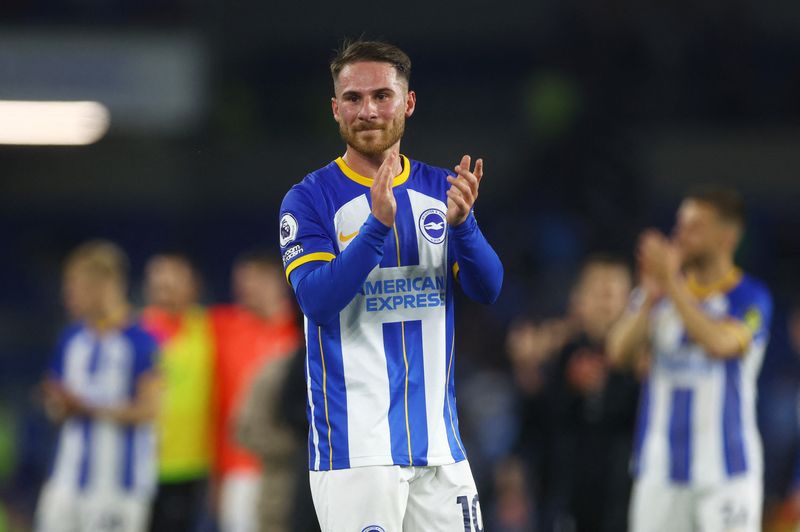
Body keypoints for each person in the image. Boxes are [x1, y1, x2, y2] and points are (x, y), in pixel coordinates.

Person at [278, 39, 503, 531]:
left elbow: (487, 290)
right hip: (356, 452)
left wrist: (465, 227)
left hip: (440, 448)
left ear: (409, 102)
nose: (368, 110)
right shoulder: (308, 199)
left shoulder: (442, 190)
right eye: (353, 99)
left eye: (382, 95)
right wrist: (376, 229)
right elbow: (317, 301)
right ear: (336, 109)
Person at [607, 187, 773, 532]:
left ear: (727, 237)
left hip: (728, 474)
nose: (680, 234)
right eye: (680, 224)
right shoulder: (660, 293)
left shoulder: (751, 298)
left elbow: (719, 343)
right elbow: (618, 352)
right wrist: (652, 296)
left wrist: (672, 284)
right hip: (659, 472)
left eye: (695, 226)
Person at [35, 240, 161, 532]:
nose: (68, 296)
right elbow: (56, 406)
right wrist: (57, 404)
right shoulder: (70, 339)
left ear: (104, 285)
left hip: (119, 487)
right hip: (66, 481)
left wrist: (87, 408)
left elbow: (149, 410)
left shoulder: (140, 340)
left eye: (75, 286)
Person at [545, 255, 639, 532]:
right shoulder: (564, 355)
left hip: (627, 497)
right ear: (578, 300)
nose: (606, 302)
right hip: (571, 499)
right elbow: (546, 424)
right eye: (598, 291)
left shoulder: (643, 360)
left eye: (614, 293)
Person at [210, 250, 301, 532]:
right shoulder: (220, 327)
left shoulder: (301, 331)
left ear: (278, 282)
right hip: (236, 467)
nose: (247, 288)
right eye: (242, 281)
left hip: (288, 469)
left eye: (257, 280)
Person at [140, 253, 214, 532]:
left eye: (172, 287)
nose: (165, 295)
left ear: (192, 287)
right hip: (144, 462)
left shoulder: (208, 328)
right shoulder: (137, 333)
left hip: (193, 463)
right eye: (159, 287)